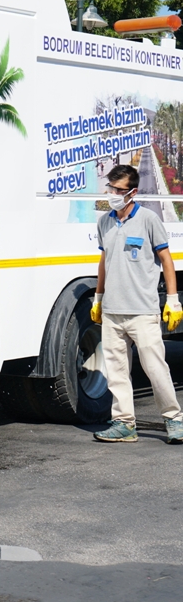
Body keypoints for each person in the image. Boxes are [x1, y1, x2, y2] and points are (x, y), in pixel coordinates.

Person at [91, 164, 183, 443]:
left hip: (142, 311)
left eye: (118, 190)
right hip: (113, 312)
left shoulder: (148, 219)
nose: (113, 194)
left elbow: (166, 260)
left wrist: (173, 299)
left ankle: (174, 420)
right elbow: (104, 261)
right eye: (110, 189)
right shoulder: (104, 221)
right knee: (117, 372)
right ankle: (124, 424)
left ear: (132, 192)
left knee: (155, 368)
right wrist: (98, 297)